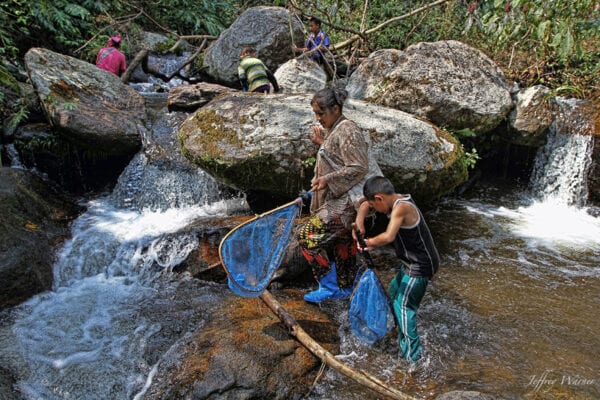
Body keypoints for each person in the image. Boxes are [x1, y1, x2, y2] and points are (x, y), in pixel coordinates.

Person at [354, 176, 439, 363]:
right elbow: (363, 204)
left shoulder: (402, 207)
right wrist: (359, 223)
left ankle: (413, 359)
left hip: (420, 266)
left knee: (403, 306)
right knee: (394, 291)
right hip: (409, 262)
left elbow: (388, 236)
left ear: (380, 198)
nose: (374, 209)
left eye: (374, 206)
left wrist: (368, 242)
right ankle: (402, 331)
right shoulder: (390, 199)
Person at [298, 88, 369, 303]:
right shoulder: (336, 128)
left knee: (306, 237)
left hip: (347, 202)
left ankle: (328, 287)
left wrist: (327, 179)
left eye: (321, 113)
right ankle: (345, 287)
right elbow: (338, 155)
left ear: (335, 109)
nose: (317, 119)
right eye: (315, 114)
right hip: (342, 199)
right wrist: (323, 143)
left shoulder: (348, 129)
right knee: (343, 240)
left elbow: (359, 166)